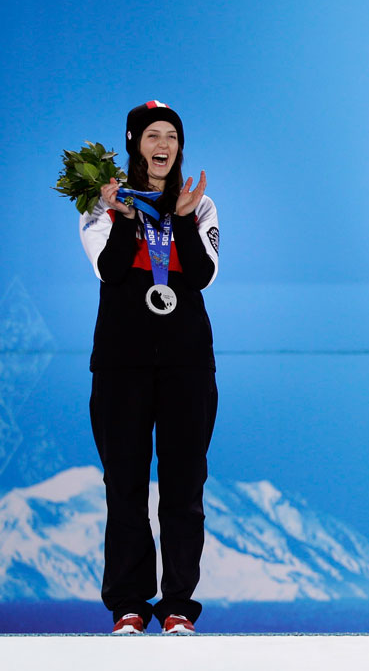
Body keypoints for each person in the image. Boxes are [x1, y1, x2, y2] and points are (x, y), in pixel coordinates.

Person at [79, 100, 219, 634]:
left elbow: (204, 274)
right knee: (126, 487)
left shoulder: (201, 205)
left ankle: (179, 605)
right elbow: (110, 271)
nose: (164, 144)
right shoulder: (101, 206)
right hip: (121, 366)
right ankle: (130, 605)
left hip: (187, 365)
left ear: (179, 148)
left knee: (184, 488)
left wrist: (182, 219)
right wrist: (122, 217)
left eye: (172, 136)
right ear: (135, 143)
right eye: (153, 135)